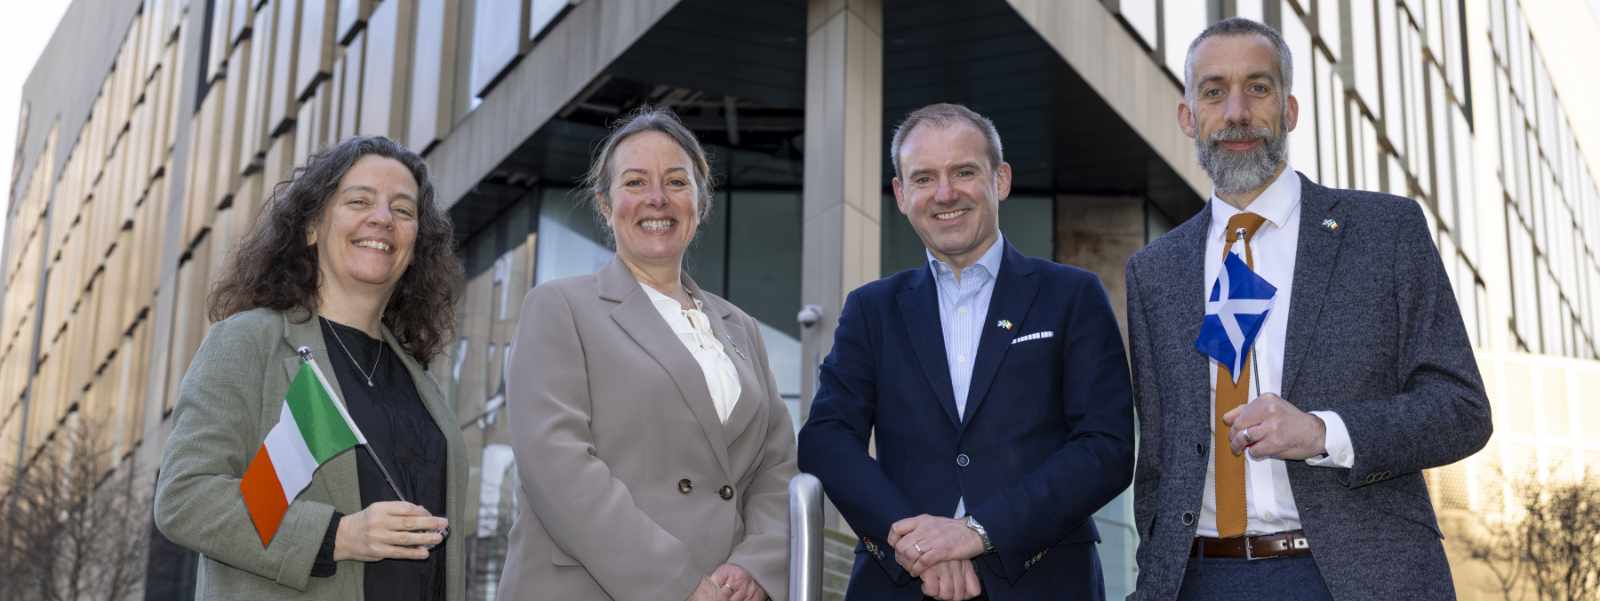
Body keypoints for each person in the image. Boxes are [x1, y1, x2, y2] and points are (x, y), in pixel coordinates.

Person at [1124, 18, 1492, 601]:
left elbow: (1462, 409)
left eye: (1259, 88)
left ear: (1290, 110)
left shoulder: (1385, 231)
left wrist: (1325, 432)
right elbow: (1160, 464)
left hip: (1351, 577)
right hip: (1197, 580)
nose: (1237, 111)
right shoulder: (1154, 270)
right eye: (1214, 91)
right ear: (1188, 116)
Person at [797, 103, 1135, 601]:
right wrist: (913, 541)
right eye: (924, 178)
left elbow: (1106, 447)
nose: (945, 193)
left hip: (1042, 581)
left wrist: (977, 531)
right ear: (900, 194)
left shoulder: (1072, 295)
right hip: (899, 582)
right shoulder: (871, 310)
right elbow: (826, 438)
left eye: (963, 172)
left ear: (1000, 180)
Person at [496, 107, 796, 601]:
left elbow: (776, 466)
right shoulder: (559, 307)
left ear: (700, 202)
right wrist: (677, 582)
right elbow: (559, 466)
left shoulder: (740, 328)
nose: (657, 198)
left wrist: (756, 565)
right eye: (635, 182)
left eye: (676, 181)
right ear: (604, 203)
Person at [154, 136, 469, 601]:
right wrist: (338, 536)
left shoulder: (419, 381)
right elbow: (185, 497)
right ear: (311, 228)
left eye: (403, 210)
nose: (382, 218)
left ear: (416, 242)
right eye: (359, 200)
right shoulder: (249, 341)